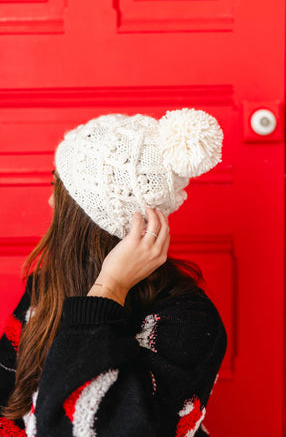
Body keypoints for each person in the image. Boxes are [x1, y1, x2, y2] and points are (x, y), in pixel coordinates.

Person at [0, 108, 227, 437]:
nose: (50, 201)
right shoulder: (45, 289)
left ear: (85, 216)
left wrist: (108, 291)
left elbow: (95, 428)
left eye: (58, 188)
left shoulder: (187, 321)